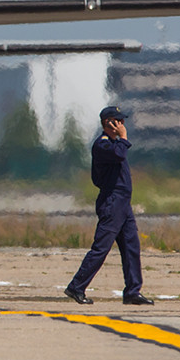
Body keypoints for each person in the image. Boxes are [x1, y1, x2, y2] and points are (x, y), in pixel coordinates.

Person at [65, 106, 153, 306]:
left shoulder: (114, 144)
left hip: (123, 203)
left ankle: (132, 291)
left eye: (122, 122)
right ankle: (76, 287)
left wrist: (120, 139)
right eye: (118, 121)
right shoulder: (102, 145)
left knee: (131, 247)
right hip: (112, 202)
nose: (122, 125)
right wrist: (123, 137)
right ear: (108, 123)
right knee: (101, 248)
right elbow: (120, 154)